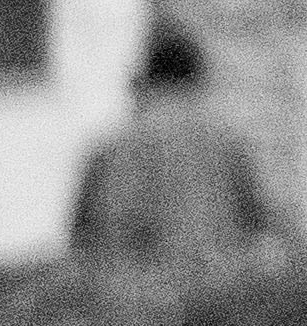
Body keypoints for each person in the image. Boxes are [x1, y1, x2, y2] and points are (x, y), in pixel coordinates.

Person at [73, 24, 291, 287]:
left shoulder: (109, 149)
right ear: (198, 76)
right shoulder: (227, 144)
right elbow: (261, 227)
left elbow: (81, 242)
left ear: (145, 78)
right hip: (215, 292)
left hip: (136, 296)